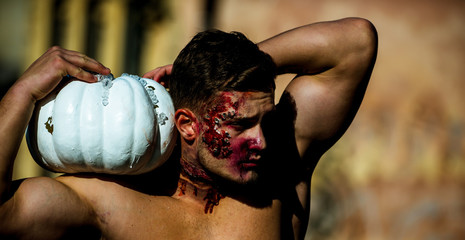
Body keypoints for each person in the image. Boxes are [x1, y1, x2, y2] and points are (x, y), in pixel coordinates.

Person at [0, 17, 377, 239]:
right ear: (187, 124)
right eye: (240, 124)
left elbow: (355, 43)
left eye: (265, 121)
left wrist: (226, 69)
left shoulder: (276, 172)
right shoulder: (109, 202)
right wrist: (20, 95)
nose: (260, 140)